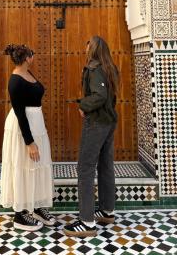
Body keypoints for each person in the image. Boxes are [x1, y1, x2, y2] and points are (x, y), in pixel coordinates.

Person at [64, 36, 119, 237]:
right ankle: (107, 211)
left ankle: (87, 222)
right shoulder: (111, 67)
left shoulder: (95, 68)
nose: (85, 50)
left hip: (96, 123)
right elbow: (108, 97)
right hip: (109, 122)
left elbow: (100, 96)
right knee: (105, 165)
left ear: (93, 49)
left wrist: (83, 105)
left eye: (87, 47)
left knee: (85, 169)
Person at [0, 44, 55, 231]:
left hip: (37, 125)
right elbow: (20, 114)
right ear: (26, 58)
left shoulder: (29, 73)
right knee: (23, 166)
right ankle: (20, 214)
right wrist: (29, 142)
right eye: (32, 54)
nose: (34, 56)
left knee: (37, 165)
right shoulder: (15, 81)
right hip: (22, 129)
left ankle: (37, 206)